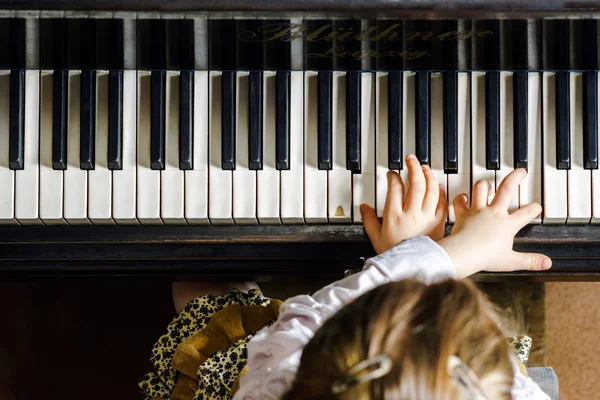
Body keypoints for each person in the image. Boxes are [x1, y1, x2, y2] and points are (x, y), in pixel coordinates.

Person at [140, 154, 551, 400]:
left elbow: (304, 321)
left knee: (200, 293)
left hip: (252, 371)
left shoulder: (280, 381)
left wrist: (445, 255)